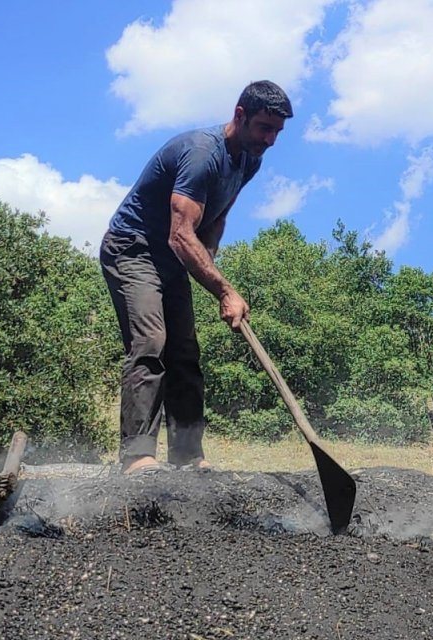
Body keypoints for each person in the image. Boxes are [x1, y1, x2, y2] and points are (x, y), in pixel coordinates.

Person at [100, 80, 291, 475]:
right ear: (239, 115)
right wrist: (224, 289)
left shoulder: (249, 160)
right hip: (132, 248)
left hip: (172, 257)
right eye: (263, 128)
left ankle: (187, 455)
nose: (270, 140)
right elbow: (179, 233)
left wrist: (210, 272)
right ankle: (138, 457)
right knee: (151, 341)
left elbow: (215, 219)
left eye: (277, 132)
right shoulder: (203, 153)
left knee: (185, 351)